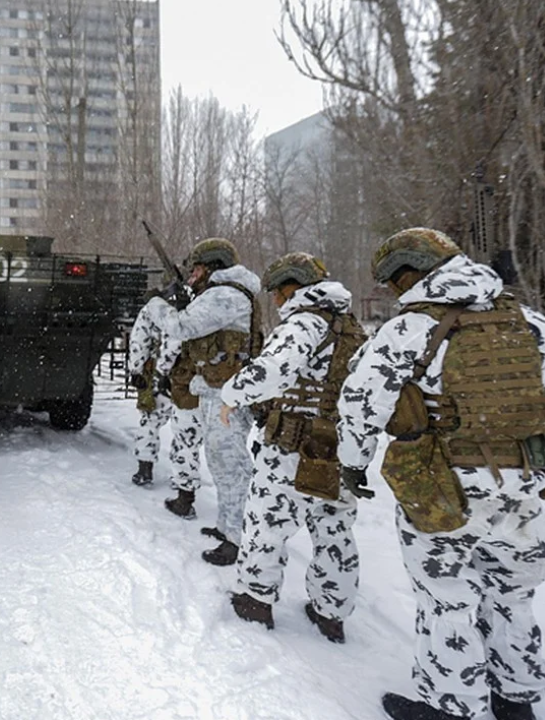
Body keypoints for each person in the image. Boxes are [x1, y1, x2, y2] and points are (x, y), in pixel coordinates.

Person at [337, 228, 545, 720]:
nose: (396, 291)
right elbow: (543, 388)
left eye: (396, 281)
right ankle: (515, 700)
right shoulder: (531, 321)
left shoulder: (410, 329)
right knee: (512, 594)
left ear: (412, 272)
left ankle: (451, 706)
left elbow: (358, 405)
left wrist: (353, 462)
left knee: (447, 598)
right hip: (519, 482)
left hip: (443, 485)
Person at [218, 252, 366, 642]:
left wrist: (231, 394)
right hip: (338, 447)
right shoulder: (351, 328)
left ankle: (254, 599)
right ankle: (330, 613)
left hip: (291, 448)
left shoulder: (303, 323)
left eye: (278, 294)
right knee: (334, 530)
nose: (277, 302)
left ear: (291, 287)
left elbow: (273, 371)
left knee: (267, 525)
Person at [157, 238, 263, 565]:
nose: (192, 275)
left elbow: (182, 326)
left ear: (212, 267)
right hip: (218, 389)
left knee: (231, 466)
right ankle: (226, 526)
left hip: (228, 393)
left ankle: (238, 538)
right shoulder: (221, 293)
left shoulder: (225, 294)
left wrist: (161, 304)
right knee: (220, 461)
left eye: (197, 268)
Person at [127, 287, 202, 504]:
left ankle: (145, 469)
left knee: (150, 420)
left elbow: (139, 340)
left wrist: (137, 370)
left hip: (163, 372)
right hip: (190, 375)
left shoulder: (153, 310)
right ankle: (180, 480)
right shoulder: (197, 303)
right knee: (186, 431)